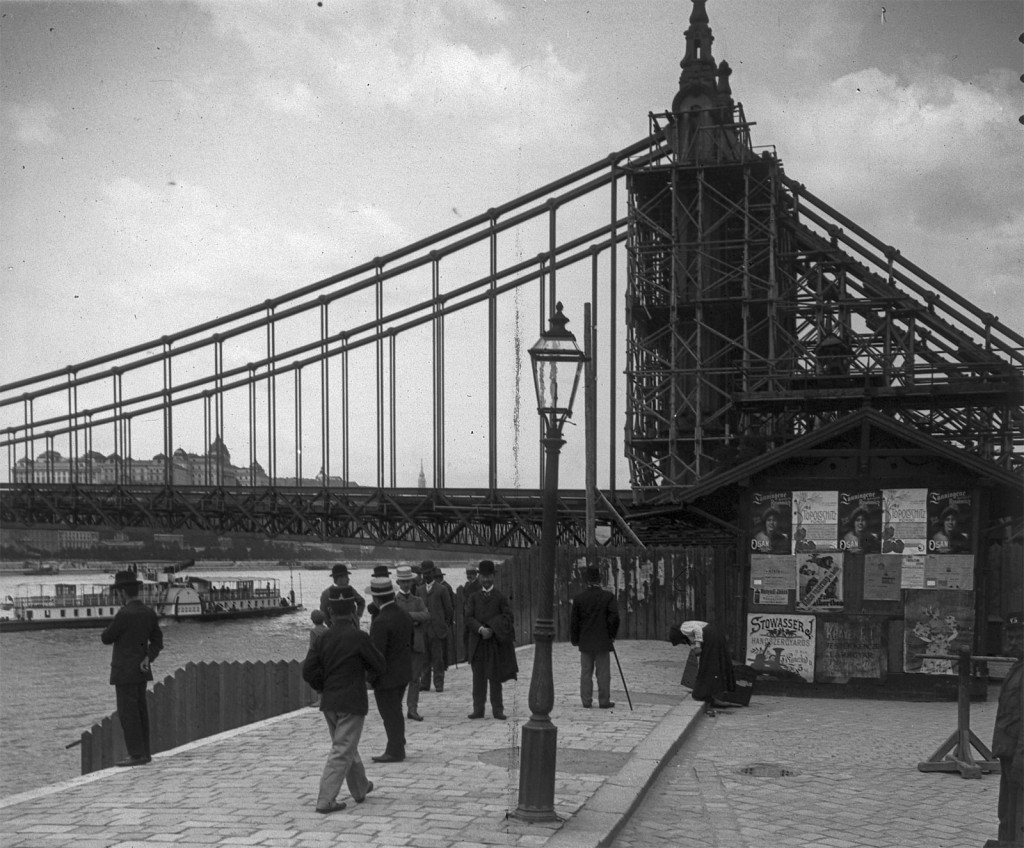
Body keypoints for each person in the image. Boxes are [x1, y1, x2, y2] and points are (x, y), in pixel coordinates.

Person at [302, 586, 385, 814]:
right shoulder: (359, 637)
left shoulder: (322, 638)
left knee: (346, 745)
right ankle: (326, 800)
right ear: (352, 611)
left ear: (330, 611)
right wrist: (365, 678)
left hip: (329, 702)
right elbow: (379, 665)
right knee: (342, 749)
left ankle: (360, 787)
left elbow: (308, 671)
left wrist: (323, 686)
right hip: (352, 701)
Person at [100, 569, 164, 767]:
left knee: (128, 713)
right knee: (140, 711)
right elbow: (158, 641)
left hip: (124, 671)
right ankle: (145, 752)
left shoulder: (124, 614)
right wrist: (148, 657)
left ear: (122, 592)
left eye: (117, 593)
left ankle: (136, 755)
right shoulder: (148, 613)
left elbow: (106, 638)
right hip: (141, 671)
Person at [367, 573, 413, 764]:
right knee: (396, 709)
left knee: (389, 713)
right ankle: (398, 741)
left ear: (376, 599)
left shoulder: (380, 621)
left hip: (386, 676)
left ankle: (395, 750)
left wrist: (370, 678)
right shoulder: (403, 615)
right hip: (403, 671)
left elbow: (377, 654)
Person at [465, 560, 518, 719]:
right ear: (479, 577)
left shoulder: (500, 597)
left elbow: (508, 618)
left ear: (493, 577)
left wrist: (492, 628)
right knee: (478, 678)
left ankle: (498, 710)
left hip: (494, 644)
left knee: (495, 678)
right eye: (483, 576)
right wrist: (481, 629)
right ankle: (478, 709)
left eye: (489, 576)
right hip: (477, 644)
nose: (486, 580)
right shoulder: (473, 597)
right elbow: (468, 618)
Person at [992, 611, 1023, 845]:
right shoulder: (1017, 667)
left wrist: (1020, 762)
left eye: (1019, 637)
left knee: (1018, 817)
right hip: (1009, 752)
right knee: (1007, 813)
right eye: (1010, 637)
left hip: (1019, 758)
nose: (1013, 643)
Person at [569, 565, 620, 709]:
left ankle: (586, 701)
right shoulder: (608, 597)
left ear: (586, 580)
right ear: (600, 579)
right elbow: (614, 617)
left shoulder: (579, 598)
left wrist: (575, 639)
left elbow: (574, 622)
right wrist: (611, 635)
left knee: (586, 673)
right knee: (603, 673)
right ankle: (604, 701)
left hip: (585, 641)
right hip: (603, 640)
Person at [670, 620, 736, 717]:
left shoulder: (683, 628)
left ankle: (701, 693)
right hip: (715, 635)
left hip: (710, 637)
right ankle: (712, 693)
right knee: (713, 665)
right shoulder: (687, 629)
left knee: (708, 666)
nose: (683, 643)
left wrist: (698, 645)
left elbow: (697, 629)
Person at [394, 566, 430, 721]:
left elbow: (426, 615)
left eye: (408, 581)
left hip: (416, 644)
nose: (406, 584)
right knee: (399, 679)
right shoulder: (394, 601)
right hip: (400, 646)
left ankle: (412, 709)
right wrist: (414, 619)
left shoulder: (418, 600)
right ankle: (396, 709)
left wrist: (407, 617)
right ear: (398, 583)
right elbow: (393, 619)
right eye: (403, 582)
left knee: (415, 679)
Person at [417, 560, 453, 693]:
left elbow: (449, 610)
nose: (426, 576)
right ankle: (424, 683)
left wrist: (445, 625)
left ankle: (439, 683)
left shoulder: (442, 589)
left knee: (438, 658)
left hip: (437, 630)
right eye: (424, 573)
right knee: (424, 658)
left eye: (428, 573)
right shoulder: (419, 590)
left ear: (433, 572)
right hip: (424, 629)